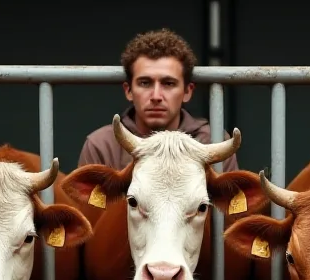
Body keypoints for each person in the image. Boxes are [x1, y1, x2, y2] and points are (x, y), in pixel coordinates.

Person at [77, 28, 240, 172]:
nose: (156, 96)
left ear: (187, 91)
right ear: (128, 91)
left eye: (168, 83)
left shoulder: (213, 142)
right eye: (144, 83)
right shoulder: (102, 145)